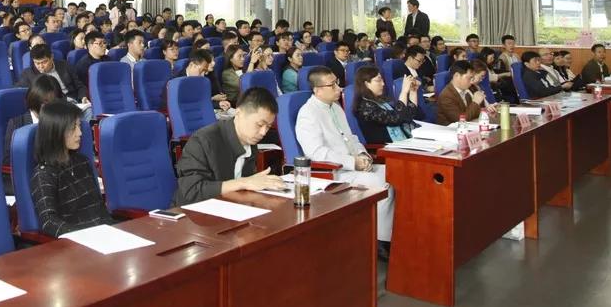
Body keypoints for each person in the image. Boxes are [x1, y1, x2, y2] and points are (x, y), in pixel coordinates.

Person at [295, 67, 394, 256]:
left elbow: (351, 137)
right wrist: (352, 162)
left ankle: (393, 232)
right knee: (383, 183)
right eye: (332, 85)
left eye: (337, 83)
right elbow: (316, 153)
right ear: (317, 90)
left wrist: (363, 155)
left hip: (354, 166)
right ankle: (380, 241)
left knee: (397, 174)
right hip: (335, 172)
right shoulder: (308, 114)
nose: (338, 88)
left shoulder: (335, 107)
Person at [173, 87, 286, 205]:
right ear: (239, 113)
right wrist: (244, 182)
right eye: (259, 124)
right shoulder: (202, 140)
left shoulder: (250, 141)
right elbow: (192, 191)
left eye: (268, 127)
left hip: (227, 207)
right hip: (191, 212)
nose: (263, 132)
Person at [30, 100, 111, 237]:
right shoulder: (44, 174)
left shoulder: (82, 162)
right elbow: (49, 221)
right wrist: (84, 237)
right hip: (76, 242)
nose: (79, 133)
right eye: (73, 128)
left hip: (103, 235)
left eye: (79, 126)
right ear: (56, 131)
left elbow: (99, 209)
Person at [354, 65, 424, 145]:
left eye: (382, 80)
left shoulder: (380, 101)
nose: (383, 84)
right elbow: (397, 118)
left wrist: (413, 91)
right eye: (378, 80)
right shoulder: (365, 107)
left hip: (400, 143)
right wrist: (404, 91)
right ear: (366, 84)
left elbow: (406, 115)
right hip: (386, 148)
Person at [4, 75, 63, 165]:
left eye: (54, 103)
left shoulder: (61, 121)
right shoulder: (17, 124)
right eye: (45, 103)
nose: (51, 108)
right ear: (34, 100)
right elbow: (8, 160)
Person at [18, 43, 87, 102]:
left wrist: (83, 97)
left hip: (74, 101)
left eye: (44, 62)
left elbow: (79, 85)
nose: (41, 66)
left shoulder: (64, 65)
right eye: (37, 63)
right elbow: (28, 98)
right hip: (51, 107)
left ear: (51, 57)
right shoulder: (27, 74)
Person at [436, 60, 491, 124]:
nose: (471, 82)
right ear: (457, 76)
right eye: (469, 78)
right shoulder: (446, 96)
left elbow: (473, 112)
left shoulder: (468, 89)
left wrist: (487, 111)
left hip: (471, 125)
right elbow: (460, 120)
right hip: (452, 129)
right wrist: (475, 102)